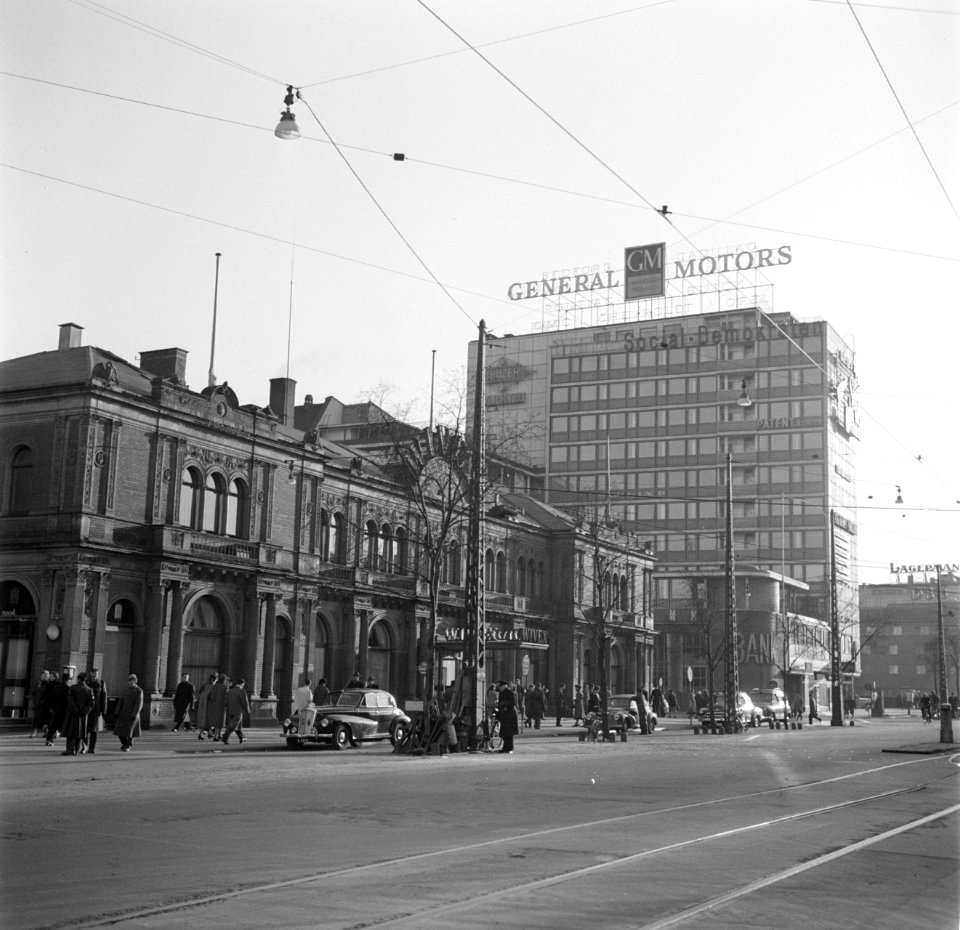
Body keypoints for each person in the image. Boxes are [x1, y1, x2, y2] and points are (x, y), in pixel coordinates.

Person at [62, 672, 94, 756]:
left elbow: (70, 701)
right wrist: (84, 711)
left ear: (78, 679)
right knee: (80, 732)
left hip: (73, 714)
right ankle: (77, 749)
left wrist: (75, 710)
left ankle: (70, 749)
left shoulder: (73, 688)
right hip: (83, 715)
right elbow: (91, 703)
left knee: (70, 732)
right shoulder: (89, 689)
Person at [114, 674, 144, 752]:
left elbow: (139, 704)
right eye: (130, 680)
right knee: (119, 731)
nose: (131, 682)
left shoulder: (139, 690)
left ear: (135, 681)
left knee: (130, 732)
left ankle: (127, 745)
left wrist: (134, 714)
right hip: (123, 713)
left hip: (132, 714)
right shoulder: (126, 689)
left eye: (133, 680)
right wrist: (117, 711)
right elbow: (121, 701)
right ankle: (124, 743)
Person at [45, 670, 71, 747]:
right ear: (68, 680)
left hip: (55, 708)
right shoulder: (68, 688)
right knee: (62, 724)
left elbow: (51, 698)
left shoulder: (55, 687)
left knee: (53, 725)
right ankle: (56, 734)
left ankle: (49, 739)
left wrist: (52, 707)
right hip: (63, 710)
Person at [221, 679, 250, 745]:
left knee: (237, 725)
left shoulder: (230, 691)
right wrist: (247, 710)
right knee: (233, 725)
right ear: (242, 684)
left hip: (230, 711)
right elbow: (245, 702)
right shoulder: (242, 691)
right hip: (238, 711)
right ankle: (225, 737)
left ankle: (242, 737)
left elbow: (225, 701)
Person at [86, 667, 107, 754]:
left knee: (94, 730)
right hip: (86, 709)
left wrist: (103, 710)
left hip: (96, 710)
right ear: (89, 674)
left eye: (95, 673)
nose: (93, 674)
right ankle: (84, 746)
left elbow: (104, 697)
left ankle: (92, 748)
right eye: (92, 673)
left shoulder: (101, 683)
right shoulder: (86, 682)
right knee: (85, 729)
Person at [495, 681, 518, 754]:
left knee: (509, 733)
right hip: (504, 715)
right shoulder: (501, 693)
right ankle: (505, 748)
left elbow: (513, 703)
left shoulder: (510, 693)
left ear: (504, 686)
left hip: (510, 715)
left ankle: (510, 748)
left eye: (500, 687)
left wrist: (504, 704)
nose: (499, 688)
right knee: (504, 733)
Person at [194, 673, 216, 740]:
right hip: (209, 705)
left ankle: (204, 734)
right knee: (209, 720)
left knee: (203, 720)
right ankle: (207, 734)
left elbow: (200, 692)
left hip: (202, 704)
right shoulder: (213, 686)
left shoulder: (205, 685)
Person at [30, 670, 51, 738]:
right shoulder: (38, 683)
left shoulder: (49, 684)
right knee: (37, 718)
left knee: (44, 719)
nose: (44, 677)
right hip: (38, 704)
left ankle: (46, 732)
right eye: (43, 675)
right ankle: (35, 732)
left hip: (45, 704)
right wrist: (34, 701)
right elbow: (33, 693)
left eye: (46, 675)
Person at [206, 674, 228, 740]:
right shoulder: (225, 687)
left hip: (213, 706)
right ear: (224, 680)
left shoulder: (214, 686)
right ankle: (217, 736)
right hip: (221, 706)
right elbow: (226, 698)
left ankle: (218, 735)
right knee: (220, 722)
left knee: (215, 721)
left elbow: (208, 696)